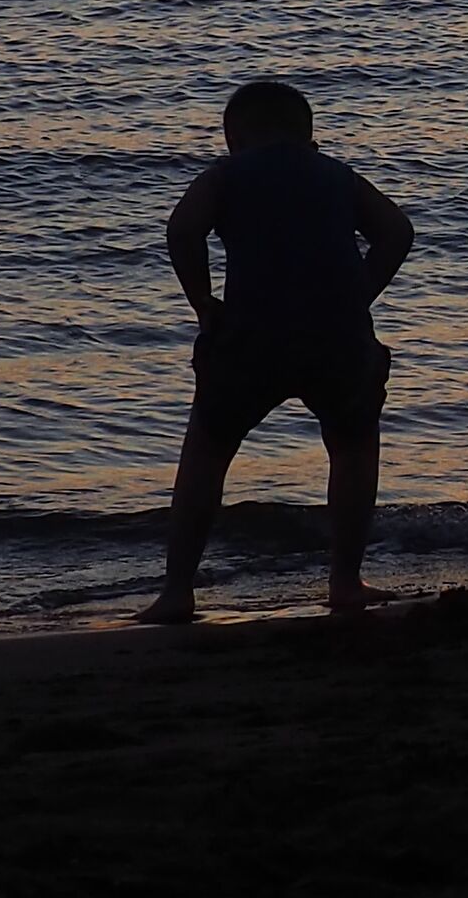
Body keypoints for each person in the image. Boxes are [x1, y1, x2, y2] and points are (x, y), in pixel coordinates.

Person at [137, 80, 414, 623]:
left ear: (233, 139)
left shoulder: (226, 175)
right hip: (336, 336)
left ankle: (177, 592)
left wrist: (202, 303)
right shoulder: (337, 175)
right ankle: (346, 581)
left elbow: (183, 230)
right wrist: (357, 295)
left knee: (208, 451)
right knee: (353, 448)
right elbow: (397, 232)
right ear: (309, 138)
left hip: (251, 333)